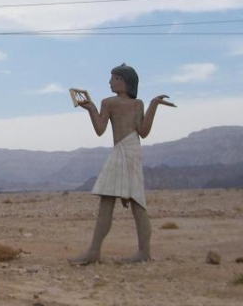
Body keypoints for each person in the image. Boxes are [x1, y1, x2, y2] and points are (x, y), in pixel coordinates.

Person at [68, 63, 175, 265]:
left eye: (114, 78)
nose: (110, 82)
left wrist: (153, 105)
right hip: (123, 151)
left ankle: (138, 251)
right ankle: (96, 251)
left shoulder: (137, 104)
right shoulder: (109, 103)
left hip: (130, 150)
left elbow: (143, 131)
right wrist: (90, 108)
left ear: (124, 82)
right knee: (112, 200)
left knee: (136, 202)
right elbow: (101, 128)